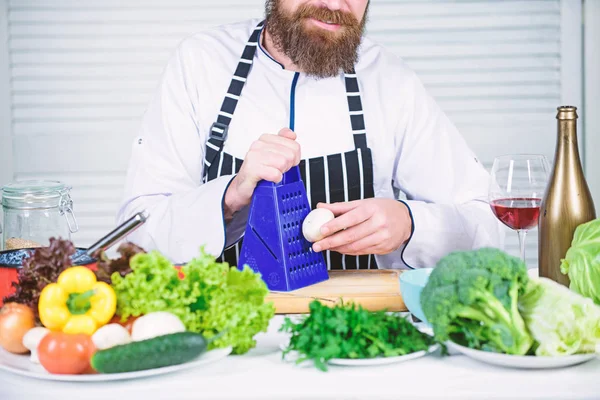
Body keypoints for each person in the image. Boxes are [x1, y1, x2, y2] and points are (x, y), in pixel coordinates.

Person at [117, 0, 504, 270]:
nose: (335, 4)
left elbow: (486, 224)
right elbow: (135, 237)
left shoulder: (391, 81)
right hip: (223, 348)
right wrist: (229, 198)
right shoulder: (200, 64)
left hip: (355, 343)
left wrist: (410, 224)